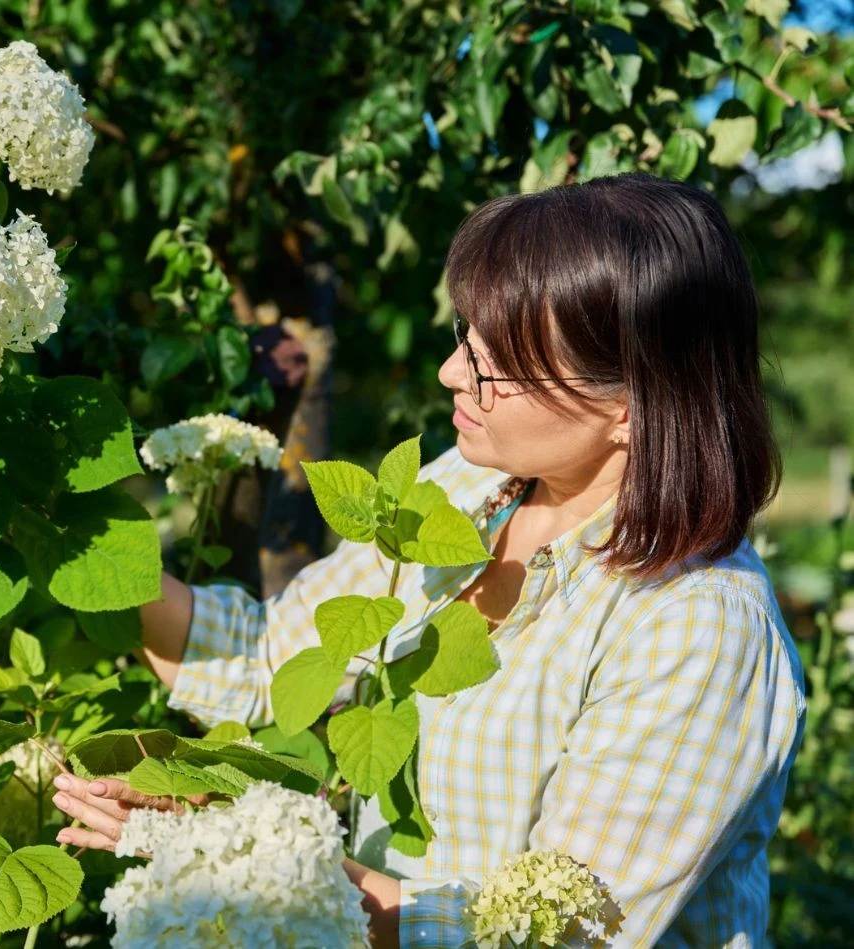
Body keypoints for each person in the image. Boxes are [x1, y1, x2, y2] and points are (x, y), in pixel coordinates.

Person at [50, 172, 807, 947]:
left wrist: (237, 858)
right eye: (464, 337)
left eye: (496, 364)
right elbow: (271, 662)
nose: (452, 375)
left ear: (629, 405)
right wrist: (70, 535)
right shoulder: (472, 484)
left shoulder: (697, 624)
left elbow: (548, 934)